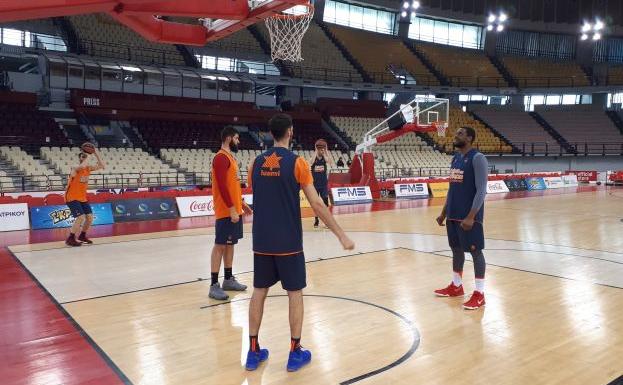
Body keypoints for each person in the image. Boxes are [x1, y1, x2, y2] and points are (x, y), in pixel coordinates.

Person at [245, 113, 355, 372]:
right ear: (290, 132)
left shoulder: (254, 163)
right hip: (288, 242)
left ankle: (252, 352)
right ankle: (295, 352)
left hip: (261, 240)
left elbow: (259, 193)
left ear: (272, 133)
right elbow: (317, 203)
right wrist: (340, 234)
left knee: (259, 291)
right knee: (294, 294)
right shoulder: (297, 164)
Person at [434, 126, 488, 310]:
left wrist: (471, 216)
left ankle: (480, 294)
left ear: (470, 138)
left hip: (469, 217)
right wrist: (443, 212)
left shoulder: (478, 158)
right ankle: (456, 286)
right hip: (453, 215)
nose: (456, 136)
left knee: (475, 252)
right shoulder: (455, 158)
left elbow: (482, 190)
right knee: (456, 250)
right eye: (456, 133)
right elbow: (452, 189)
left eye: (460, 133)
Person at [208, 126, 253, 301]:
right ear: (228, 139)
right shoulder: (220, 158)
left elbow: (232, 186)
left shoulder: (230, 158)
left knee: (230, 244)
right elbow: (221, 186)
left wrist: (242, 204)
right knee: (220, 245)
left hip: (234, 209)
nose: (238, 141)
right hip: (225, 211)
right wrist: (232, 209)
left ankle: (228, 279)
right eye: (236, 138)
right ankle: (213, 285)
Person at [64, 148, 105, 247]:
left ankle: (82, 235)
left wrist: (95, 153)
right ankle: (70, 238)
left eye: (84, 156)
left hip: (82, 197)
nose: (84, 157)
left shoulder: (88, 168)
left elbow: (102, 166)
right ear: (80, 158)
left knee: (90, 217)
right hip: (71, 197)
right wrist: (88, 155)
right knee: (80, 217)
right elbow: (82, 166)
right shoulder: (75, 167)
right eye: (82, 156)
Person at [308, 140, 333, 228]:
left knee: (325, 204)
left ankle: (326, 222)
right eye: (321, 150)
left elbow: (330, 162)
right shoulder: (314, 158)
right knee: (316, 204)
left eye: (323, 150)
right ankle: (316, 220)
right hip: (315, 185)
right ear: (318, 150)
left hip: (323, 185)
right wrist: (316, 150)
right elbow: (310, 162)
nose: (322, 151)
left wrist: (326, 151)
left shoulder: (324, 158)